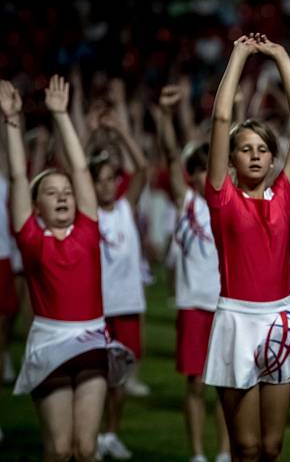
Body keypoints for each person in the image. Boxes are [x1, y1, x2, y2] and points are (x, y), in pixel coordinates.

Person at [1, 76, 132, 462]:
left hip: (92, 339)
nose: (62, 196)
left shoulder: (89, 228)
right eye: (51, 192)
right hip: (49, 341)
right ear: (36, 206)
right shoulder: (30, 237)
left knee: (85, 449)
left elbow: (79, 168)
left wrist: (61, 116)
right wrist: (11, 121)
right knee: (58, 450)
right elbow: (18, 177)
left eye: (67, 192)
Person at [202, 33, 290, 462]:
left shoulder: (284, 195)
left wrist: (284, 58)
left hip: (280, 317)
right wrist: (238, 56)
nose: (254, 155)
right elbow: (220, 119)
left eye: (263, 150)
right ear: (230, 160)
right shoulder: (222, 197)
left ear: (273, 159)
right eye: (244, 149)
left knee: (272, 447)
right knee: (245, 448)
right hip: (236, 321)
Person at [153, 85, 230, 462]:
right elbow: (170, 154)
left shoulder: (228, 205)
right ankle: (198, 452)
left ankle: (225, 450)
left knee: (226, 386)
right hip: (193, 306)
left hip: (225, 306)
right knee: (196, 385)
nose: (201, 177)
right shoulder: (186, 203)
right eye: (196, 171)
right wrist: (167, 117)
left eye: (206, 169)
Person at [89, 108, 148, 460]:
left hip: (126, 303)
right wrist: (92, 135)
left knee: (120, 379)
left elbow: (141, 168)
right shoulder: (85, 212)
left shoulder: (126, 207)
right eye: (100, 179)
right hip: (95, 307)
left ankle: (111, 433)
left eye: (113, 178)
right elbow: (73, 167)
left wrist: (122, 130)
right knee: (95, 377)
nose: (108, 184)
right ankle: (92, 435)